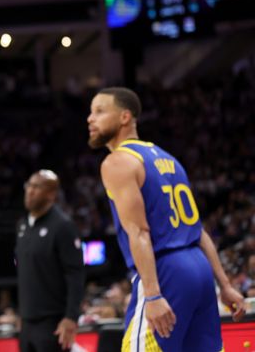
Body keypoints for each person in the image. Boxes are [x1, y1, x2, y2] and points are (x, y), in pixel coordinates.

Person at [87, 87, 246, 351]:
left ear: (125, 117)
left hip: (166, 271)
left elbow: (138, 232)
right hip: (200, 270)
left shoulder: (118, 162)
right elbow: (199, 231)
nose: (90, 119)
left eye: (100, 111)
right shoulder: (168, 159)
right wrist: (225, 285)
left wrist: (153, 294)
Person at [15, 170, 85, 352]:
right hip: (27, 322)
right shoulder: (22, 225)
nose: (30, 191)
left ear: (51, 194)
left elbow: (75, 274)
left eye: (37, 187)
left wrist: (71, 317)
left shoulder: (63, 226)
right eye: (29, 185)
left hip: (54, 323)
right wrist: (22, 313)